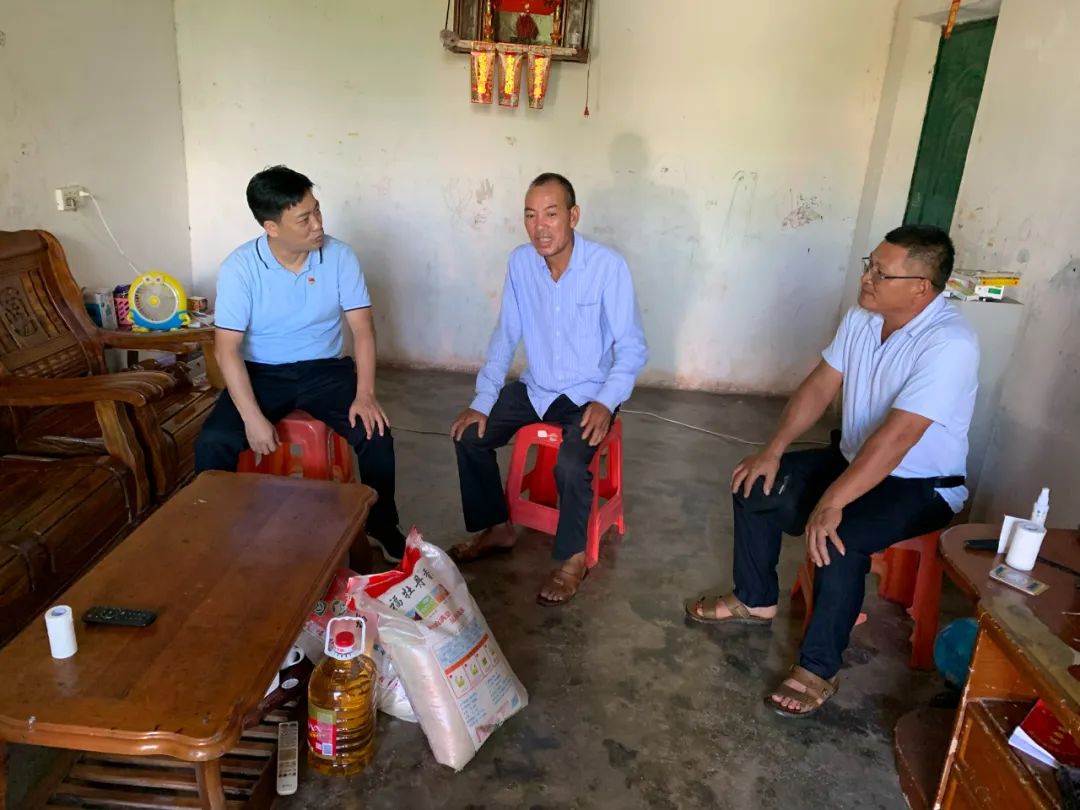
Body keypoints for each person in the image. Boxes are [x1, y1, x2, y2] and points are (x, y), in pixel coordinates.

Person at [684, 225, 978, 717]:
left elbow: (897, 439)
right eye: (869, 264)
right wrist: (773, 449)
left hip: (921, 485)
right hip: (854, 459)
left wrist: (833, 502)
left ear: (920, 288)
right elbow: (821, 385)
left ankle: (818, 669)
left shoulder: (950, 343)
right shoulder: (863, 317)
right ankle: (755, 599)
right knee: (756, 484)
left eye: (881, 273)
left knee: (840, 537)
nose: (866, 278)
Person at [448, 172, 648, 606]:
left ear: (573, 216)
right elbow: (505, 336)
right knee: (469, 436)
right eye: (530, 215)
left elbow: (632, 348)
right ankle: (498, 527)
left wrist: (606, 401)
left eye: (551, 214)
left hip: (589, 394)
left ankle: (574, 558)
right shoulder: (521, 263)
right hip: (536, 388)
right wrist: (483, 400)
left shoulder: (607, 267)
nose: (540, 227)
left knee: (570, 465)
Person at [194, 165, 405, 561]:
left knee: (376, 433)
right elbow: (227, 350)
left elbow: (362, 329)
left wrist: (365, 394)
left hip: (325, 370)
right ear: (271, 227)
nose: (318, 225)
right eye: (304, 219)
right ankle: (213, 530)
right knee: (214, 441)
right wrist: (253, 418)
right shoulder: (241, 267)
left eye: (317, 210)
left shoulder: (340, 257)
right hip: (262, 372)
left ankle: (381, 523)